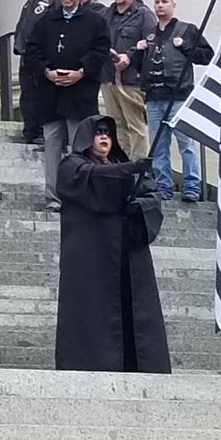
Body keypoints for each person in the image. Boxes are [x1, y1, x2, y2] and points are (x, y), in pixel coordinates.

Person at [55, 115, 169, 373]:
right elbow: (93, 179)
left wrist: (137, 207)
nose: (104, 137)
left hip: (128, 255)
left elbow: (152, 196)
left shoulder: (126, 165)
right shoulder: (72, 165)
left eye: (107, 132)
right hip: (91, 258)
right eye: (98, 132)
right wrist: (128, 171)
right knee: (93, 311)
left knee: (134, 310)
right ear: (86, 138)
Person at [25, 0, 111, 211]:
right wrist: (47, 71)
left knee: (79, 146)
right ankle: (53, 196)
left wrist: (81, 71)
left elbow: (101, 50)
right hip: (51, 94)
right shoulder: (46, 22)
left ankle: (77, 196)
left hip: (79, 94)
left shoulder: (95, 21)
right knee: (52, 145)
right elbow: (31, 50)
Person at [130, 0, 215, 202]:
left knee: (186, 144)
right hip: (154, 97)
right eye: (157, 2)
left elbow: (206, 56)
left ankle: (191, 187)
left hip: (179, 97)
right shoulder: (148, 33)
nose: (160, 5)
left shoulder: (186, 30)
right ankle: (163, 187)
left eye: (164, 2)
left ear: (173, 5)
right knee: (158, 146)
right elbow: (138, 66)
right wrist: (137, 51)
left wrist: (185, 46)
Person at [100, 0, 156, 158]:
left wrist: (130, 55)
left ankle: (138, 167)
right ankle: (121, 164)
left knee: (135, 125)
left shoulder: (143, 14)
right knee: (116, 124)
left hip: (131, 80)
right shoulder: (107, 14)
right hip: (108, 78)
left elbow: (151, 42)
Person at [13, 0, 57, 144]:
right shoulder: (31, 1)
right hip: (27, 55)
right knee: (28, 95)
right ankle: (30, 131)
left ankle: (41, 132)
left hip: (43, 55)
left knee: (42, 95)